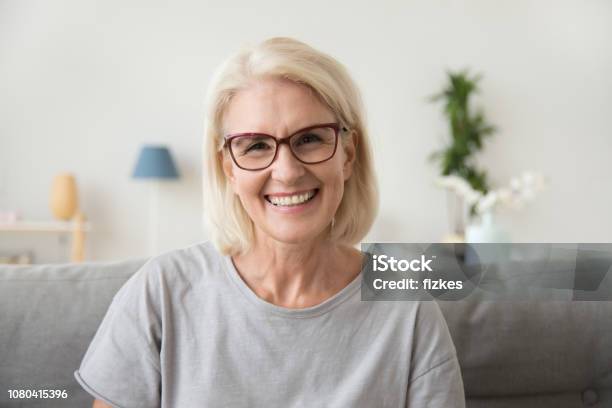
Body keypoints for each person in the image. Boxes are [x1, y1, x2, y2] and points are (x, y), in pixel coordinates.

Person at [76, 37, 465, 407]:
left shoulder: (408, 308)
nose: (287, 171)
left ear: (347, 154)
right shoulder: (160, 292)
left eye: (310, 138)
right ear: (228, 167)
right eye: (257, 146)